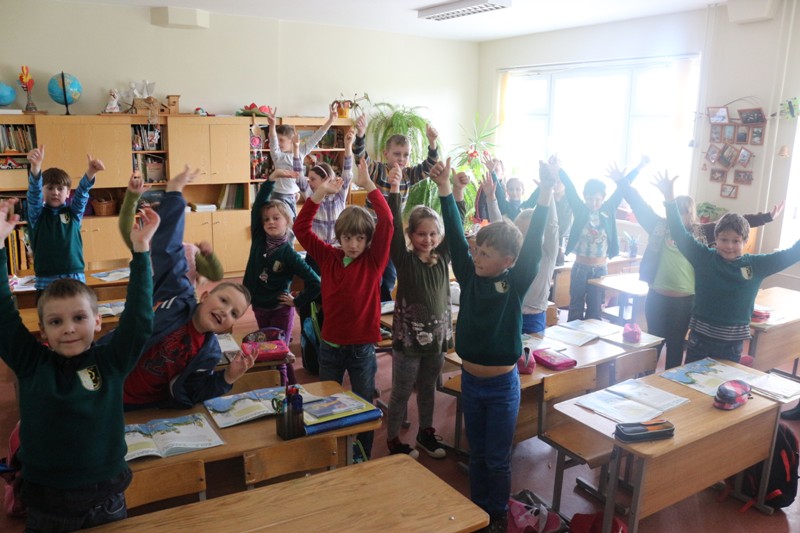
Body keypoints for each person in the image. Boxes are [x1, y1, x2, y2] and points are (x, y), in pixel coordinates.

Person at [0, 196, 159, 531]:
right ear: (43, 329)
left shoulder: (110, 362)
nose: (69, 328)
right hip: (46, 503)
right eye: (56, 322)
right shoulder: (31, 363)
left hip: (105, 499)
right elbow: (3, 315)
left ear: (98, 321)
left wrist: (141, 250)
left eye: (79, 318)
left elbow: (139, 319)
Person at [430, 156, 553, 532]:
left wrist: (546, 191)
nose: (477, 257)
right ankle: (478, 509)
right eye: (477, 251)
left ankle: (496, 514)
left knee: (497, 458)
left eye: (485, 254)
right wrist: (445, 190)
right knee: (478, 453)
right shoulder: (469, 276)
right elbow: (455, 238)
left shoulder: (515, 282)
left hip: (501, 387)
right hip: (472, 383)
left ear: (508, 260)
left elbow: (534, 246)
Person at [104, 166, 256, 410]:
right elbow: (168, 250)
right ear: (204, 295)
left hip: (143, 407)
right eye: (224, 301)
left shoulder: (209, 353)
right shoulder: (177, 298)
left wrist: (228, 377)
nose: (225, 311)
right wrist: (175, 192)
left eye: (234, 313)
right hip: (106, 386)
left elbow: (194, 390)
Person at [620, 173, 784, 370]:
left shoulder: (701, 232)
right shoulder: (658, 226)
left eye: (685, 211)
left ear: (692, 213)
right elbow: (640, 206)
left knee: (676, 344)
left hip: (685, 300)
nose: (681, 215)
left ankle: (670, 379)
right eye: (678, 210)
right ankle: (645, 379)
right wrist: (622, 183)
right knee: (652, 342)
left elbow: (737, 223)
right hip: (657, 295)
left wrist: (767, 217)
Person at [294, 158, 392, 459]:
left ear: (368, 240)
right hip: (331, 346)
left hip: (361, 348)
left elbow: (387, 222)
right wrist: (319, 194)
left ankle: (362, 452)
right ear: (339, 237)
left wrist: (369, 186)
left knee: (363, 403)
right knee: (327, 402)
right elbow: (301, 228)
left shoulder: (373, 261)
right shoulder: (329, 257)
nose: (353, 244)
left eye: (360, 238)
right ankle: (331, 452)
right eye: (348, 238)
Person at [385, 164, 453, 460]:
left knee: (428, 388)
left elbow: (455, 225)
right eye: (421, 234)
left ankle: (425, 432)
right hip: (409, 342)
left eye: (433, 234)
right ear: (411, 235)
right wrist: (394, 189)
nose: (428, 239)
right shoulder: (405, 260)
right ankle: (393, 439)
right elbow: (391, 226)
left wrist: (452, 190)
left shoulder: (443, 257)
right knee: (401, 391)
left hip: (436, 341)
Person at [243, 167, 321, 385]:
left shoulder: (290, 255)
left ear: (287, 221)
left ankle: (284, 392)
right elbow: (258, 206)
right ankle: (293, 385)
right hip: (259, 306)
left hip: (280, 310)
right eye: (266, 219)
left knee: (277, 354)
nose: (270, 222)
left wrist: (297, 301)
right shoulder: (259, 239)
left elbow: (316, 282)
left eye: (276, 218)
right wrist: (272, 179)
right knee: (270, 350)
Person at [353, 114, 439, 302]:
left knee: (390, 275)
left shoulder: (408, 175)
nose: (401, 159)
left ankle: (384, 306)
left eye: (406, 155)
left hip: (393, 233)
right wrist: (360, 134)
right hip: (372, 232)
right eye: (397, 154)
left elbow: (429, 166)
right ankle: (371, 301)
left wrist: (432, 143)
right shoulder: (379, 170)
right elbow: (361, 157)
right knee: (372, 272)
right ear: (386, 154)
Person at [560, 159, 646, 321]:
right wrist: (559, 169)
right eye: (589, 199)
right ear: (584, 197)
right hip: (580, 268)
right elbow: (570, 188)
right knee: (576, 306)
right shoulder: (580, 208)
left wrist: (640, 167)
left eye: (597, 199)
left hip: (600, 268)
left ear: (603, 198)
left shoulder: (608, 208)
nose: (593, 203)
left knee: (595, 309)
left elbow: (622, 189)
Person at [117, 172, 224, 290]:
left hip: (180, 300)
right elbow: (125, 225)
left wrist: (209, 256)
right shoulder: (143, 245)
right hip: (156, 299)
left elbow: (216, 275)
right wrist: (132, 196)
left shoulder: (188, 251)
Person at [26, 145, 102, 291]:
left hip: (74, 274)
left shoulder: (73, 214)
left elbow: (82, 194)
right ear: (42, 191)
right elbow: (33, 194)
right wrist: (35, 167)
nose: (55, 192)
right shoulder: (37, 215)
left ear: (68, 193)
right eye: (50, 188)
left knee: (78, 305)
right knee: (49, 307)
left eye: (60, 188)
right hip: (45, 277)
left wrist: (91, 173)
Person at [266, 103, 338, 217]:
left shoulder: (300, 152)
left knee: (293, 223)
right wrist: (272, 126)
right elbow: (273, 141)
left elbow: (317, 137)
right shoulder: (278, 156)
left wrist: (330, 121)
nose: (278, 143)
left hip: (293, 195)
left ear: (291, 140)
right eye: (277, 139)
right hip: (278, 196)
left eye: (282, 140)